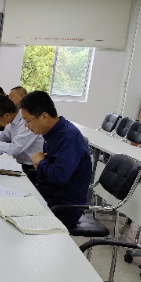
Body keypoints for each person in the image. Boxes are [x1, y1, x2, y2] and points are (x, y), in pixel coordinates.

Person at [19, 91, 92, 229]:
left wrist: (40, 162)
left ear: (44, 116)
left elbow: (59, 176)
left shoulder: (68, 137)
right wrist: (41, 163)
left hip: (63, 207)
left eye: (27, 121)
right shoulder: (53, 132)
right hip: (49, 195)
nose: (26, 125)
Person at [0, 95, 43, 169]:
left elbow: (15, 149)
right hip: (17, 161)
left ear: (7, 115)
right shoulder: (14, 119)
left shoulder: (26, 122)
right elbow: (5, 135)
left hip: (29, 167)